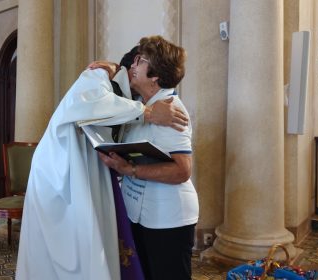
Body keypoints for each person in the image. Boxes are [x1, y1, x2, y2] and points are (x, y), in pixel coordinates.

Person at [15, 46, 188, 279]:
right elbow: (92, 104)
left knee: (91, 243)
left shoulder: (131, 97)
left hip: (90, 174)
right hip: (62, 173)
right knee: (67, 246)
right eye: (137, 62)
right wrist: (147, 112)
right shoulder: (98, 76)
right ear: (132, 65)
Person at [99, 35, 199, 280]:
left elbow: (182, 170)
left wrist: (130, 170)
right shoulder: (144, 105)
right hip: (141, 213)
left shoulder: (170, 111)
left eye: (140, 61)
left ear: (155, 75)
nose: (132, 66)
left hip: (168, 219)